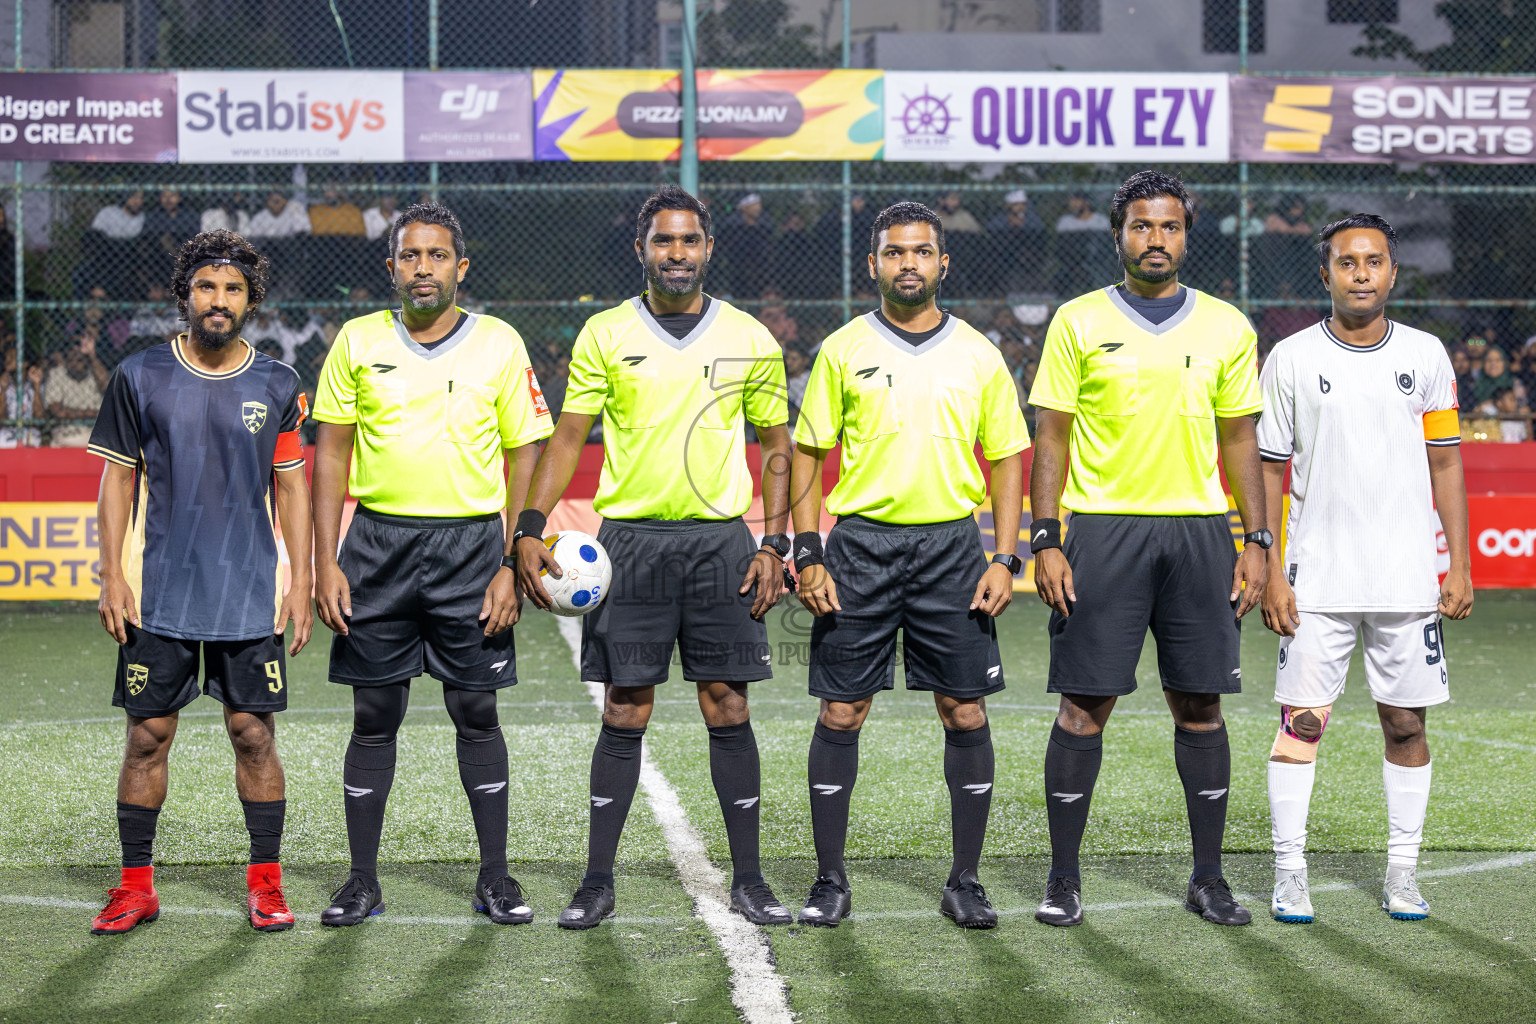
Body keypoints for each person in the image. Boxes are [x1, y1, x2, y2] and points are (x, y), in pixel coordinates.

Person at [513, 184, 793, 930]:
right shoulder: (606, 332)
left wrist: (774, 540)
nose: (677, 254)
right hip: (630, 545)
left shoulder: (750, 337)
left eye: (689, 241)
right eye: (663, 242)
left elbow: (776, 448)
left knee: (727, 702)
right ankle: (597, 881)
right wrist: (530, 526)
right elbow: (567, 436)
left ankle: (752, 880)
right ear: (642, 249)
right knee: (625, 707)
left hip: (720, 542)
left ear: (708, 248)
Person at [1029, 171, 1269, 928]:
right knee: (1083, 706)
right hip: (1103, 529)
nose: (1154, 239)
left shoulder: (1227, 325)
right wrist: (1047, 538)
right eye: (1141, 226)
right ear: (1118, 235)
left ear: (1185, 236)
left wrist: (1255, 540)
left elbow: (1241, 440)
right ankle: (1063, 879)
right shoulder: (1076, 320)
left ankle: (1209, 879)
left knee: (1200, 705)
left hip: (1200, 531)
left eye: (1168, 227)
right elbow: (1051, 438)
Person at [309, 203, 552, 928]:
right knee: (374, 713)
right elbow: (330, 454)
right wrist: (325, 561)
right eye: (410, 256)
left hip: (471, 552)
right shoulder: (356, 341)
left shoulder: (500, 345)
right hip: (377, 548)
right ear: (391, 268)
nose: (423, 268)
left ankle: (496, 878)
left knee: (475, 711)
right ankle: (361, 882)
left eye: (437, 256)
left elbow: (525, 452)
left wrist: (513, 560)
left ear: (460, 267)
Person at [789, 201, 1029, 930]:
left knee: (964, 708)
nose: (909, 264)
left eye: (922, 252)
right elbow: (807, 453)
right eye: (895, 253)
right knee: (842, 709)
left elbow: (1009, 457)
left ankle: (965, 880)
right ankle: (830, 881)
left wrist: (1005, 554)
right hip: (859, 546)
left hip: (953, 549)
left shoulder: (979, 353)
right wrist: (809, 552)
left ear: (942, 264)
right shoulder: (841, 349)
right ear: (874, 265)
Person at [85, 230, 313, 935]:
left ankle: (267, 887)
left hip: (247, 594)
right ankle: (135, 888)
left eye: (233, 289)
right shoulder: (140, 375)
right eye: (207, 287)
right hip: (160, 594)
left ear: (251, 300)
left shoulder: (277, 383)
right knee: (147, 738)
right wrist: (111, 577)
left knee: (253, 735)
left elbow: (293, 490)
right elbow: (116, 480)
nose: (219, 300)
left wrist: (300, 582)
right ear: (185, 293)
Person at [1258, 213, 1474, 924]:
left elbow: (1446, 462)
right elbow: (1271, 466)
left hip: (1406, 580)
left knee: (1406, 725)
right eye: (1346, 262)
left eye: (1373, 261)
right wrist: (1272, 569)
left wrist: (1460, 563)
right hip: (1315, 581)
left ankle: (1403, 872)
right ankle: (1290, 874)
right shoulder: (1290, 357)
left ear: (1391, 273)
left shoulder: (1428, 355)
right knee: (1302, 726)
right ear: (1325, 274)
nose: (1360, 273)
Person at [44, 328, 110, 446]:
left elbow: (107, 385)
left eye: (80, 347)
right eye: (72, 348)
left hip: (94, 431)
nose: (77, 350)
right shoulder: (57, 373)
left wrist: (92, 355)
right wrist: (91, 413)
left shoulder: (95, 372)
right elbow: (58, 411)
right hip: (66, 431)